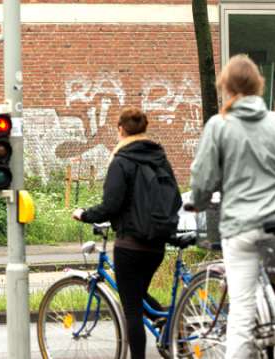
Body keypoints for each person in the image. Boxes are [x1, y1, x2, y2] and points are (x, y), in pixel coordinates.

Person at [188, 55, 275, 359]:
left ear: (225, 86)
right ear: (258, 84)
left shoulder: (220, 125)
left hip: (240, 226)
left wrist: (198, 201)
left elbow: (203, 178)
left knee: (241, 312)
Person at [72, 107, 178, 359]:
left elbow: (111, 205)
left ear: (120, 129)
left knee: (131, 309)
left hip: (131, 245)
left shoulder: (121, 160)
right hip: (157, 244)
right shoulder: (159, 157)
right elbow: (173, 196)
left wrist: (84, 214)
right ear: (144, 128)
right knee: (137, 294)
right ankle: (168, 324)